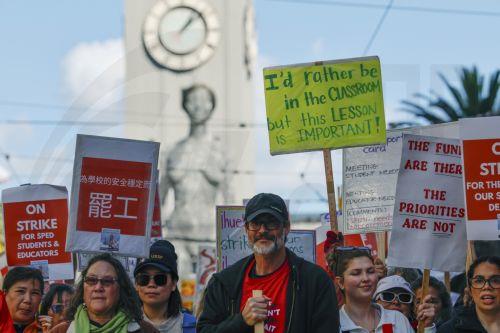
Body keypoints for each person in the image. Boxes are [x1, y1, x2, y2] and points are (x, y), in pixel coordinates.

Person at [197, 193, 339, 332]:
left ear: (286, 228)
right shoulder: (224, 283)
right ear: (246, 229)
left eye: (271, 223)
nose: (262, 230)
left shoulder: (315, 281)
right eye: (255, 223)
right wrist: (241, 321)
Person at [161, 83, 225, 276]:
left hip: (208, 235)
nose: (198, 106)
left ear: (211, 106)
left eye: (204, 100)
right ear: (186, 105)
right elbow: (158, 199)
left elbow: (231, 199)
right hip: (177, 233)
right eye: (193, 100)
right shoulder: (173, 152)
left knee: (208, 295)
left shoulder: (220, 152)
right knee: (175, 290)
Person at [50, 253, 158, 333]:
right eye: (91, 280)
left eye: (107, 281)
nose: (98, 287)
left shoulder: (145, 330)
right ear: (83, 289)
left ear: (121, 288)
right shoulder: (60, 331)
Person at [335, 247, 436, 332]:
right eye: (356, 273)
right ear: (340, 282)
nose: (365, 278)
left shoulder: (398, 319)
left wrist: (427, 327)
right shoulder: (333, 324)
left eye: (370, 271)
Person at [134, 240, 196, 333]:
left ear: (174, 284)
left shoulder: (192, 327)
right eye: (144, 279)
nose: (151, 284)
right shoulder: (124, 325)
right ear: (136, 284)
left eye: (160, 279)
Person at [438, 256, 500, 333]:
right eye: (479, 281)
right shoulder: (449, 330)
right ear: (470, 290)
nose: (487, 287)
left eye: (496, 280)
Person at [2, 266, 44, 333]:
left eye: (34, 293)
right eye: (20, 291)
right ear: (5, 294)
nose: (28, 300)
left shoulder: (50, 329)